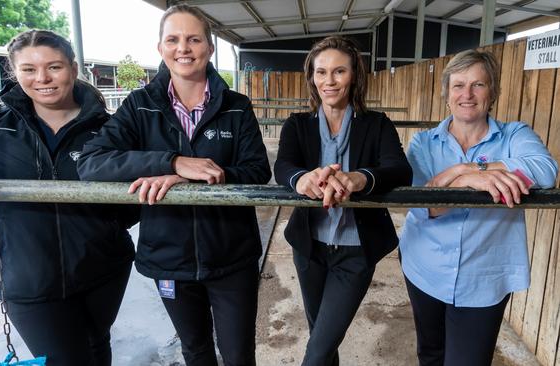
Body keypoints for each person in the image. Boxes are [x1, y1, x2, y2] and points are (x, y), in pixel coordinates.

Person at [0, 30, 138, 366]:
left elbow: (137, 189)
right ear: (14, 73)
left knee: (96, 345)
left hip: (103, 268)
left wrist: (105, 224)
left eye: (54, 67)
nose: (43, 78)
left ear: (73, 69)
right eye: (29, 69)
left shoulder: (110, 128)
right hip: (27, 277)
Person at [77, 5, 271, 366]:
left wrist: (206, 174)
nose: (184, 47)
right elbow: (91, 161)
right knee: (195, 349)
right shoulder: (139, 106)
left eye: (194, 39)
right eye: (174, 39)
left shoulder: (236, 107)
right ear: (161, 48)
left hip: (231, 255)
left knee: (238, 353)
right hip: (169, 256)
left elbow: (258, 169)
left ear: (209, 48)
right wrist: (170, 162)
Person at [399, 49, 558, 366]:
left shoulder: (515, 134)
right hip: (425, 266)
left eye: (478, 85)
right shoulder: (424, 142)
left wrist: (475, 170)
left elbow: (545, 170)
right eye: (458, 86)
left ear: (493, 92)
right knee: (430, 353)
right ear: (447, 95)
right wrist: (462, 177)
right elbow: (423, 207)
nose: (467, 95)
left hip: (483, 277)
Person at [274, 36, 412, 366]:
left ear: (354, 77)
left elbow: (399, 169)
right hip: (309, 248)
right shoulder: (297, 124)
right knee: (322, 337)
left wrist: (359, 177)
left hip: (355, 251)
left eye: (339, 72)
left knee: (318, 350)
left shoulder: (377, 124)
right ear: (311, 78)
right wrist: (302, 179)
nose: (329, 81)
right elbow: (284, 165)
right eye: (321, 72)